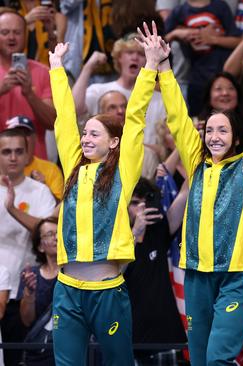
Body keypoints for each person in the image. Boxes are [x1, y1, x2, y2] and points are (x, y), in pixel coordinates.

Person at [157, 23, 243, 365]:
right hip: (196, 275)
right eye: (210, 129)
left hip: (235, 276)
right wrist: (162, 67)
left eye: (223, 130)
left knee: (218, 359)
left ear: (236, 138)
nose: (214, 135)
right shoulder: (196, 161)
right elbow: (176, 116)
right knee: (200, 359)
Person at [47, 23, 157, 363]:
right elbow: (64, 119)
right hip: (66, 288)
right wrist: (56, 69)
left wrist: (151, 65)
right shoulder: (73, 166)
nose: (86, 139)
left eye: (95, 134)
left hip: (107, 290)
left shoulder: (124, 171)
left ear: (114, 142)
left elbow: (136, 119)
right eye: (85, 134)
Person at [0, 128, 55, 364]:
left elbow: (47, 230)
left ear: (27, 154)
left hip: (27, 293)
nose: (13, 157)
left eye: (18, 151)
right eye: (6, 152)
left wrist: (12, 210)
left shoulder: (40, 192)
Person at [124, 178, 187, 364]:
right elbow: (115, 272)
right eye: (135, 203)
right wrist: (135, 232)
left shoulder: (158, 231)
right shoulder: (114, 241)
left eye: (145, 203)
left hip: (166, 337)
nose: (141, 209)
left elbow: (185, 193)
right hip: (131, 339)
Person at [71, 34, 167, 149]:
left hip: (147, 162)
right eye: (130, 52)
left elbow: (165, 143)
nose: (135, 57)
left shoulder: (159, 100)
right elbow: (73, 109)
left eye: (141, 54)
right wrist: (88, 67)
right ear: (119, 57)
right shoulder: (98, 90)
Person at [164, 0, 242, 116]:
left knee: (226, 119)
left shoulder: (220, 7)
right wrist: (177, 33)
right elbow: (163, 39)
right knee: (198, 121)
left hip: (221, 76)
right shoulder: (179, 11)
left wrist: (213, 39)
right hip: (196, 79)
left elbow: (237, 41)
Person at [0, 8, 56, 160]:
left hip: (36, 165)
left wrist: (30, 94)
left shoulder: (43, 71)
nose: (11, 37)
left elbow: (53, 123)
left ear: (25, 36)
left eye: (17, 33)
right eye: (5, 33)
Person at [18, 217, 59, 366]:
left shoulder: (76, 272)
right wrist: (29, 292)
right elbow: (27, 320)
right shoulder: (31, 275)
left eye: (59, 232)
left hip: (69, 348)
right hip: (39, 353)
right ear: (40, 246)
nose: (56, 237)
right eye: (50, 234)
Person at [5, 115, 64, 200]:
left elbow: (59, 209)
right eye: (16, 134)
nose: (22, 138)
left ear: (35, 138)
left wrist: (44, 188)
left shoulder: (51, 170)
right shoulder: (2, 170)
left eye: (26, 134)